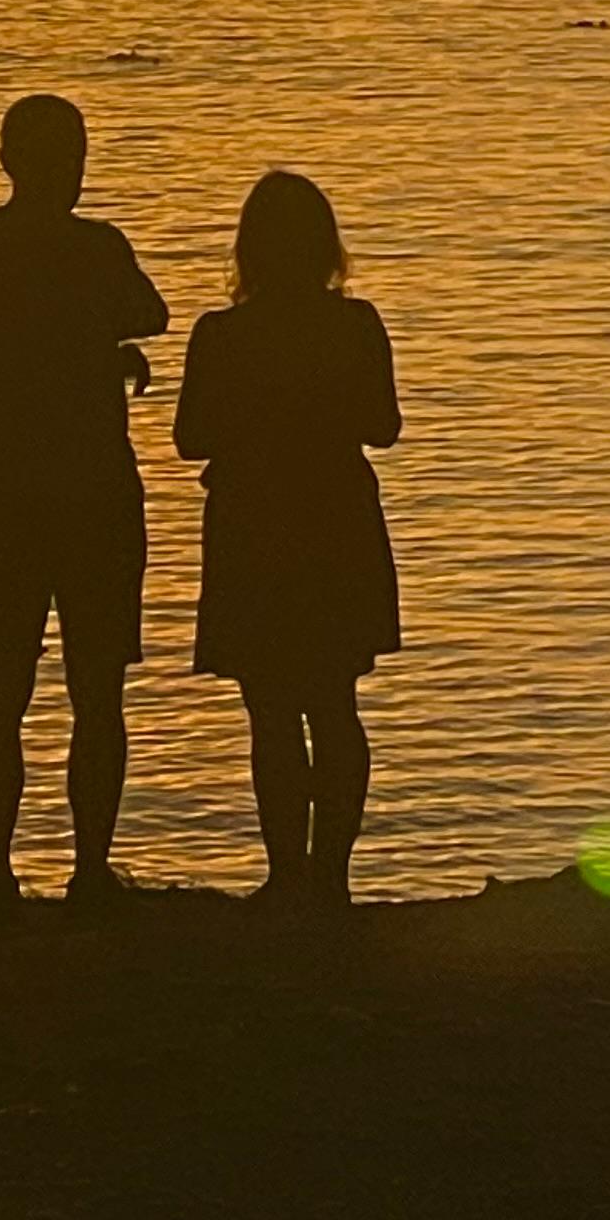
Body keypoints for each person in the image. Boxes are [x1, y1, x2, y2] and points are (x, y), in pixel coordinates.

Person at [0, 95, 169, 914]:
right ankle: (89, 871)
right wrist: (105, 354)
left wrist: (95, 352)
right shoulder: (97, 249)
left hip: (1, 486)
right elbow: (149, 311)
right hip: (93, 488)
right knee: (95, 690)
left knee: (2, 683)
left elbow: (9, 341)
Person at [172, 170, 400, 913]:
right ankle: (332, 877)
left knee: (269, 709)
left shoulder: (221, 334)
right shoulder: (356, 324)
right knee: (334, 704)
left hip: (252, 524)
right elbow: (384, 427)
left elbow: (189, 438)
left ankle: (286, 876)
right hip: (336, 518)